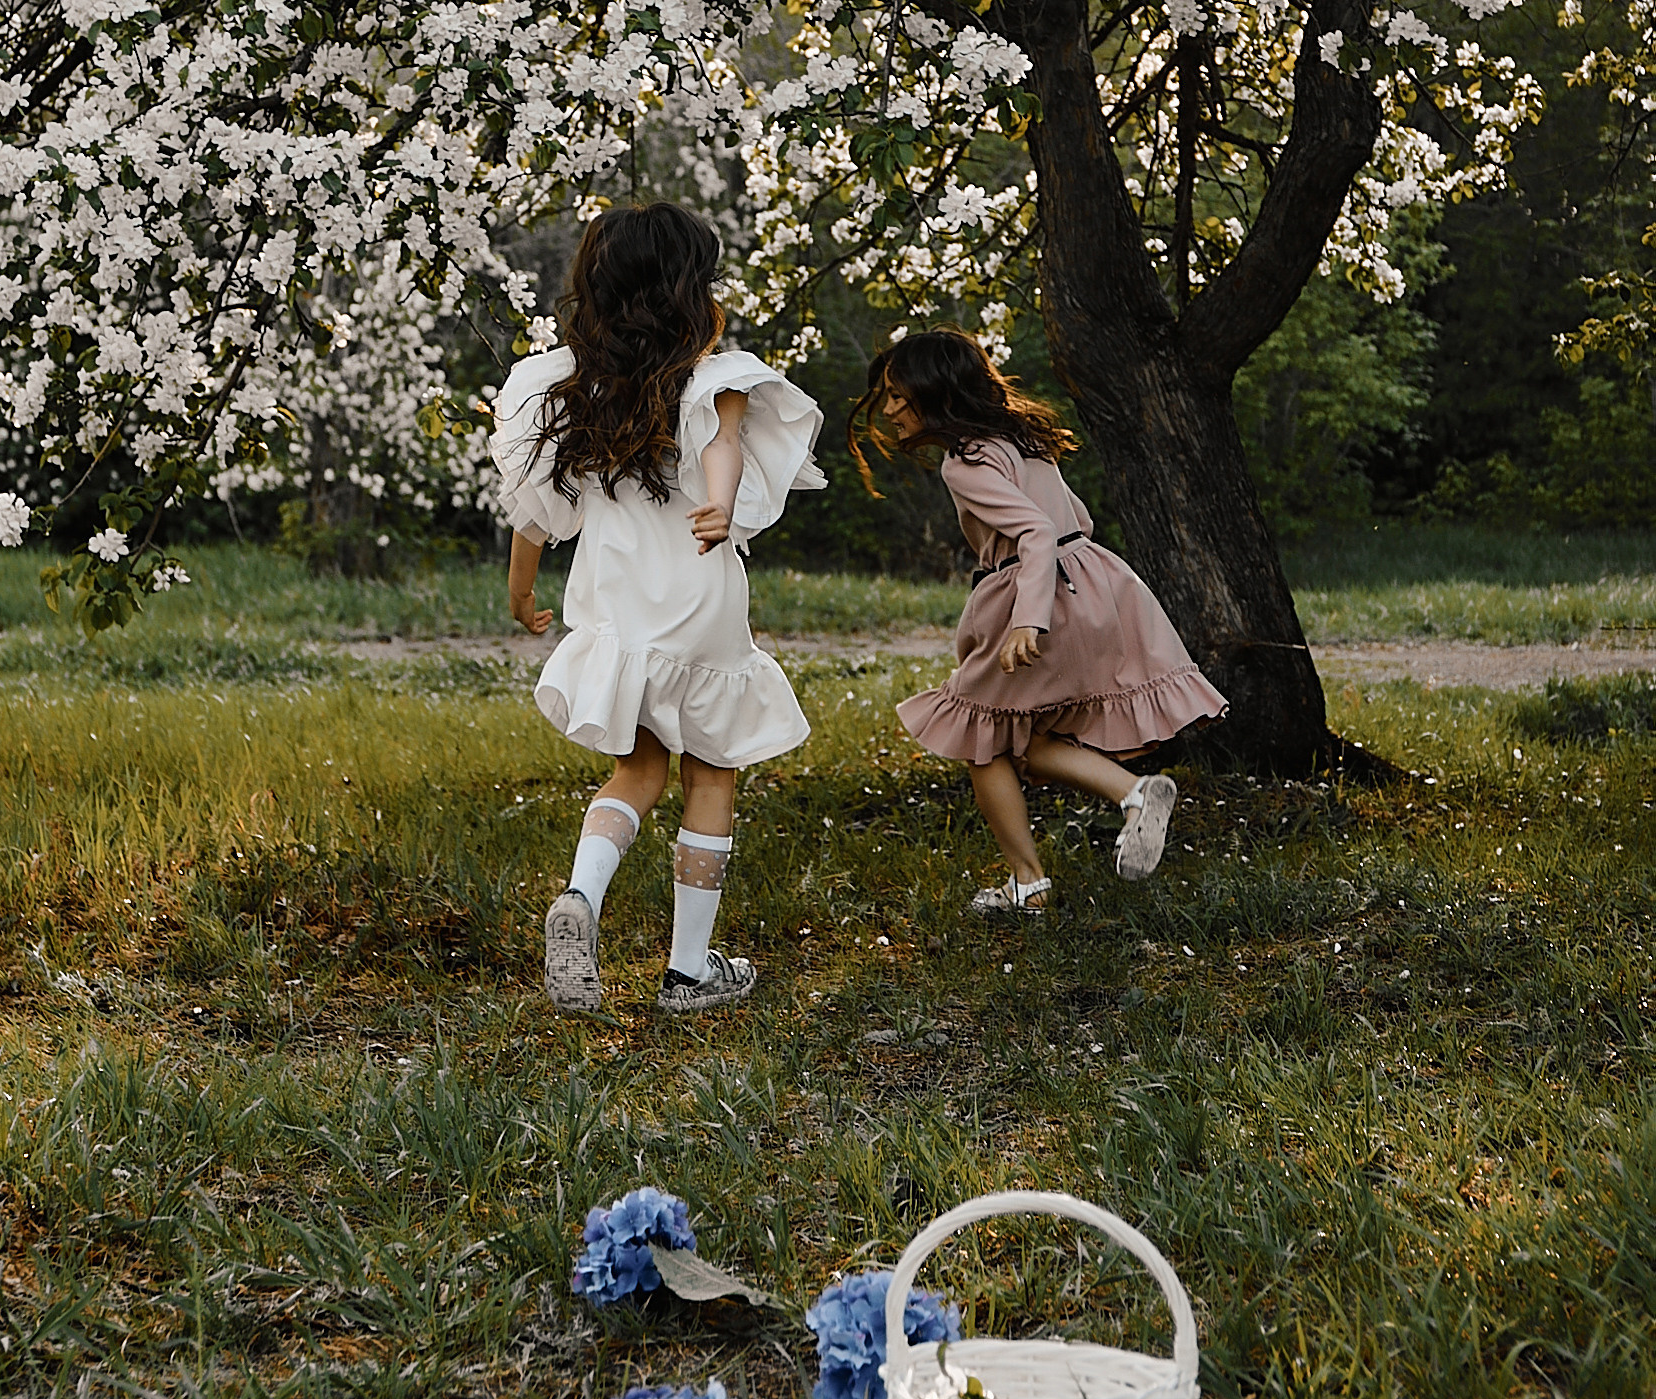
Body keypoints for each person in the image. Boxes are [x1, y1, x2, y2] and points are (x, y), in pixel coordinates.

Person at [491, 202, 824, 1016]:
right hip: (698, 596)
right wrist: (718, 504)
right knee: (713, 771)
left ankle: (580, 897)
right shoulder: (715, 377)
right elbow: (724, 445)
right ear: (689, 286)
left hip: (616, 601)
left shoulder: (569, 387)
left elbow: (535, 508)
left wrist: (521, 588)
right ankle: (687, 971)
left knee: (635, 768)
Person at [854, 328, 1225, 915]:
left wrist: (1028, 618)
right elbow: (1072, 517)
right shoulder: (1021, 438)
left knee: (980, 738)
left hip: (1039, 598)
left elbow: (1035, 530)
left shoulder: (963, 463)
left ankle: (1037, 877)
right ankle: (1130, 797)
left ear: (935, 393)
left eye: (900, 395)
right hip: (1096, 585)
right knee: (1029, 742)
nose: (891, 409)